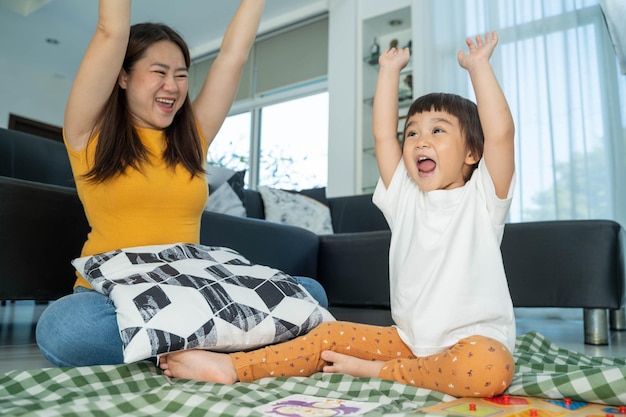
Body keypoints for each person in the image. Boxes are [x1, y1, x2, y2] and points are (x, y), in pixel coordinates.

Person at [157, 32, 517, 399]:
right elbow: (382, 137)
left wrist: (478, 67)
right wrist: (388, 72)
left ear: (473, 153)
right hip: (410, 342)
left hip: (475, 344)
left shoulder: (483, 198)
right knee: (328, 335)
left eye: (437, 131)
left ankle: (378, 372)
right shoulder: (405, 197)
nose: (421, 140)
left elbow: (501, 134)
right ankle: (233, 367)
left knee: (491, 369)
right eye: (412, 133)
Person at [35, 0, 327, 367]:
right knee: (66, 329)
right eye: (158, 72)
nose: (172, 86)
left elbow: (233, 58)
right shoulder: (88, 135)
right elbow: (110, 31)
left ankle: (173, 348)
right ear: (123, 76)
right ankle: (207, 346)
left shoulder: (191, 139)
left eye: (181, 74)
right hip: (114, 293)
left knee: (311, 292)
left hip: (188, 288)